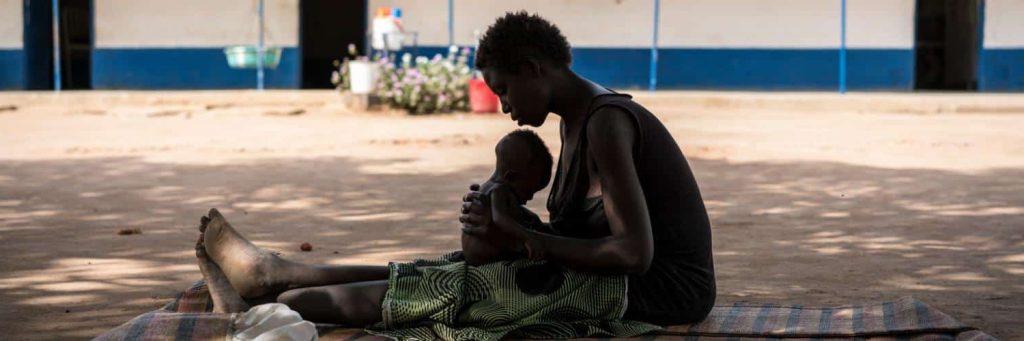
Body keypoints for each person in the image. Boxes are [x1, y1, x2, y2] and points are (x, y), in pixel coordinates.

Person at [193, 10, 714, 340]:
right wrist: (507, 232)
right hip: (622, 278)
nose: (503, 104)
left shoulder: (606, 124)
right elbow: (585, 239)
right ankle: (273, 273)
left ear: (536, 68)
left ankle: (281, 293)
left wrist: (523, 236)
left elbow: (633, 254)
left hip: (657, 292)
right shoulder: (577, 122)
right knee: (445, 267)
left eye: (504, 88)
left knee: (455, 289)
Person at [461, 129, 554, 266]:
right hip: (489, 264)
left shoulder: (485, 188)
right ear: (510, 177)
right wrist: (528, 237)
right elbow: (500, 219)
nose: (529, 198)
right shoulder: (499, 190)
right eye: (528, 191)